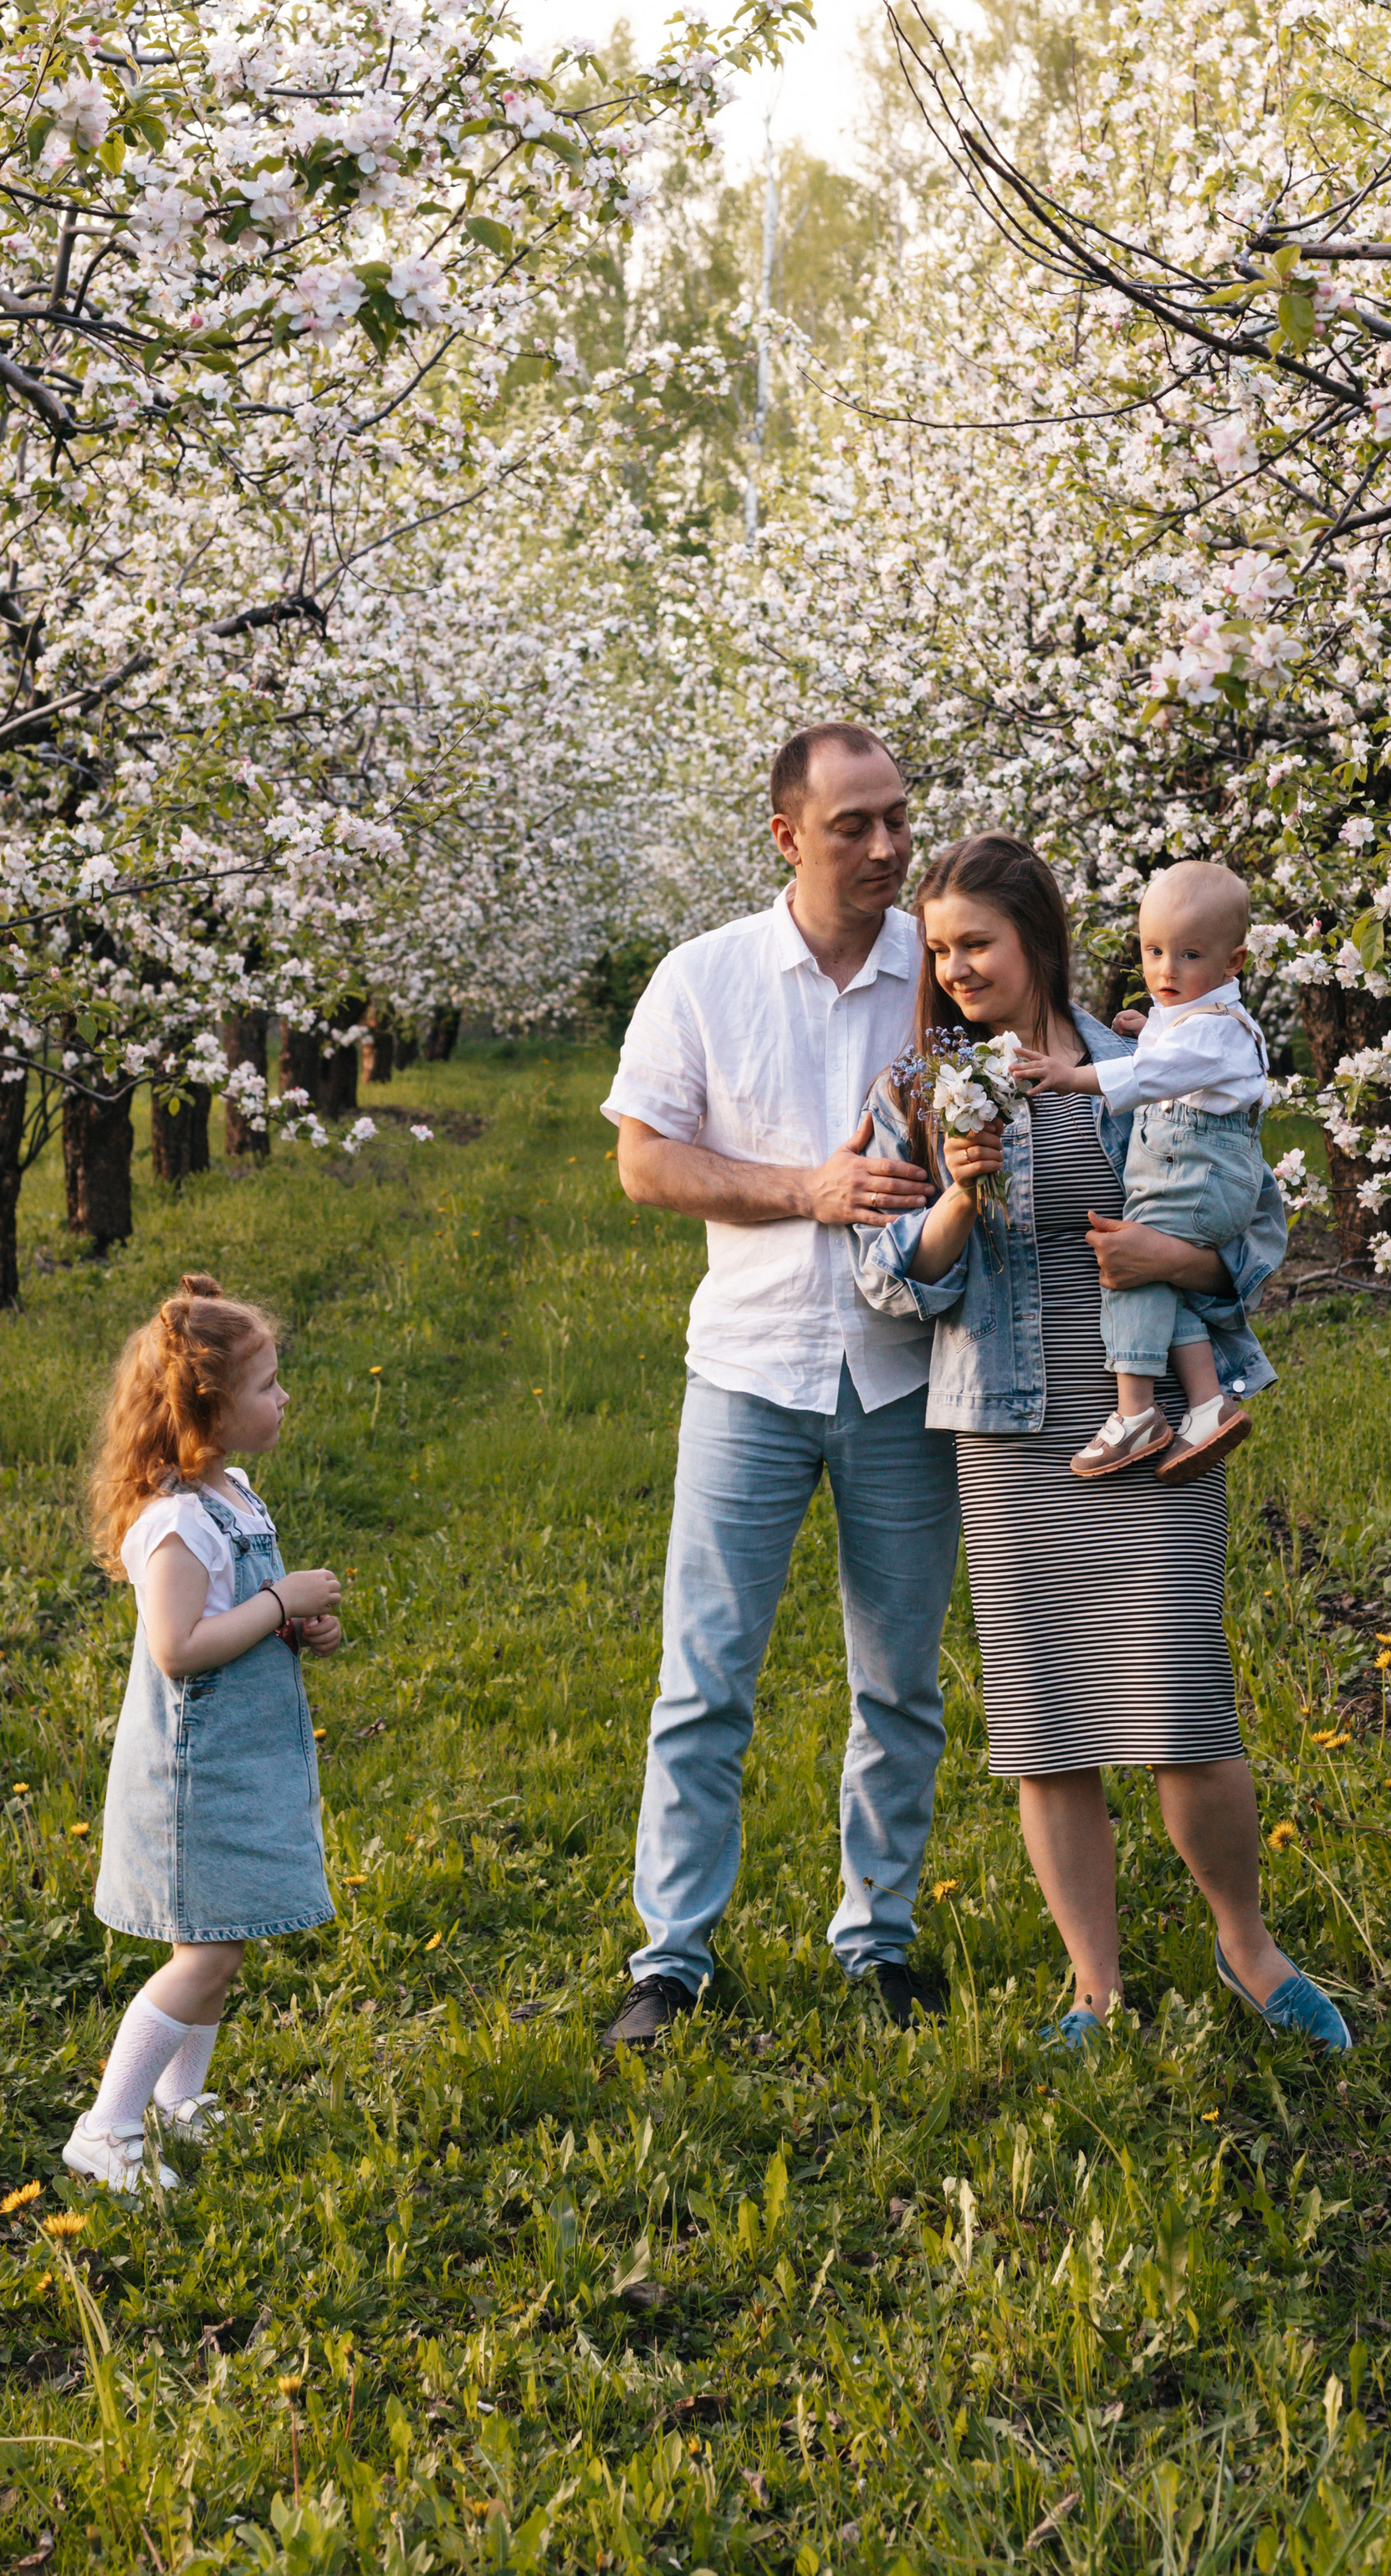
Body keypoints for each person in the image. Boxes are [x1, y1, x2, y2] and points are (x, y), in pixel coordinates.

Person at [853, 832, 1349, 2052]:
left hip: (1161, 1423)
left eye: (978, 943)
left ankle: (1248, 1947)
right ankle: (1097, 1989)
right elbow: (888, 1281)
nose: (957, 968)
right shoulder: (922, 1088)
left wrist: (1172, 1259)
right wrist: (961, 1195)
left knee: (1182, 1707)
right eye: (941, 951)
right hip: (1015, 1434)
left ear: (1038, 939)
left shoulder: (1159, 1056)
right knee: (1050, 1726)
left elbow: (1255, 1235)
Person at [599, 723, 961, 2046]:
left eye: (900, 821)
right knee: (705, 1681)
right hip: (749, 1372)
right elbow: (646, 1163)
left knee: (900, 1685)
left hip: (905, 1378)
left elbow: (1064, 1050)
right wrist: (808, 1191)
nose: (885, 847)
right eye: (856, 824)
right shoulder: (704, 979)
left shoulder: (946, 971)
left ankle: (878, 1941)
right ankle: (672, 1957)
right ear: (786, 836)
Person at [65, 1273, 344, 2189]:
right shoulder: (179, 1522)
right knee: (206, 1952)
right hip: (194, 1782)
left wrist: (294, 1624)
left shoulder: (234, 1493)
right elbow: (180, 1648)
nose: (283, 1397)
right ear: (206, 1412)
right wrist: (277, 1599)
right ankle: (106, 2126)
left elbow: (237, 1618)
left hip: (240, 1765)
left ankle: (181, 2101)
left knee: (220, 1945)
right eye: (266, 1386)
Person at [1008, 859, 1271, 1485]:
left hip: (1197, 1172)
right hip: (1198, 1169)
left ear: (1232, 963)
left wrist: (1073, 1077)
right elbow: (1170, 1052)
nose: (1164, 970)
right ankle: (1207, 1404)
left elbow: (1156, 1075)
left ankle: (1136, 1412)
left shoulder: (1212, 1032)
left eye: (1187, 955)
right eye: (1153, 951)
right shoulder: (1196, 1019)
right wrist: (1147, 1026)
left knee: (1128, 1268)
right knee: (1162, 1280)